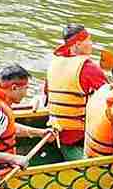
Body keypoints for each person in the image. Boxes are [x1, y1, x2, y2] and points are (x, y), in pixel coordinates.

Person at [45, 25, 108, 160]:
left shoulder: (53, 64)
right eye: (89, 40)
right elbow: (110, 98)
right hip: (79, 136)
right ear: (77, 44)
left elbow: (46, 95)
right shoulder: (88, 67)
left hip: (58, 134)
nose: (92, 44)